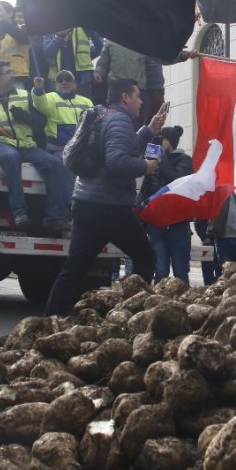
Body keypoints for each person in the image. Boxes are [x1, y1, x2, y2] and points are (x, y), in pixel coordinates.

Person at [44, 78, 166, 316]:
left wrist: (148, 131)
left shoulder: (102, 115)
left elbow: (118, 148)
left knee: (74, 267)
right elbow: (117, 161)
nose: (141, 101)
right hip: (109, 205)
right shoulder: (120, 120)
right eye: (137, 96)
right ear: (125, 97)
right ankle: (131, 316)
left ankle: (50, 317)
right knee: (145, 256)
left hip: (84, 201)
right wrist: (145, 166)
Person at [0, 62, 69, 233]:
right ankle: (19, 211)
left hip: (26, 145)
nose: (13, 75)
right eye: (8, 72)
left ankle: (54, 218)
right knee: (11, 157)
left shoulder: (25, 95)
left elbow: (41, 122)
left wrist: (25, 116)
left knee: (55, 164)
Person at [138, 126, 194, 283]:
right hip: (157, 226)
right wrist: (138, 213)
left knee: (180, 272)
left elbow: (176, 181)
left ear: (170, 141)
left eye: (162, 139)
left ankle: (182, 298)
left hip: (178, 225)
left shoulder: (185, 160)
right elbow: (145, 190)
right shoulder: (154, 163)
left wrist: (162, 159)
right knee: (160, 271)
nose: (158, 142)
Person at [31, 70, 93, 209]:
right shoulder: (50, 98)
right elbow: (40, 102)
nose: (64, 82)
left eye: (67, 79)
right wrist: (38, 89)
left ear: (75, 84)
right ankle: (71, 206)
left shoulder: (86, 101)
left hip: (81, 150)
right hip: (58, 149)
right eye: (60, 80)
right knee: (67, 164)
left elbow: (95, 122)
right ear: (55, 84)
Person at [43, 27, 103, 99]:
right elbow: (48, 53)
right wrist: (60, 36)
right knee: (61, 105)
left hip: (81, 80)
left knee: (83, 104)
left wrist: (86, 56)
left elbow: (100, 48)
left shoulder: (83, 26)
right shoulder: (49, 29)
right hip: (59, 80)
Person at [93, 39, 147, 106]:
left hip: (135, 89)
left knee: (135, 111)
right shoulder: (110, 40)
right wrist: (99, 72)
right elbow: (103, 62)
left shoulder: (140, 40)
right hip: (115, 88)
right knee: (115, 110)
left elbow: (151, 65)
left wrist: (155, 89)